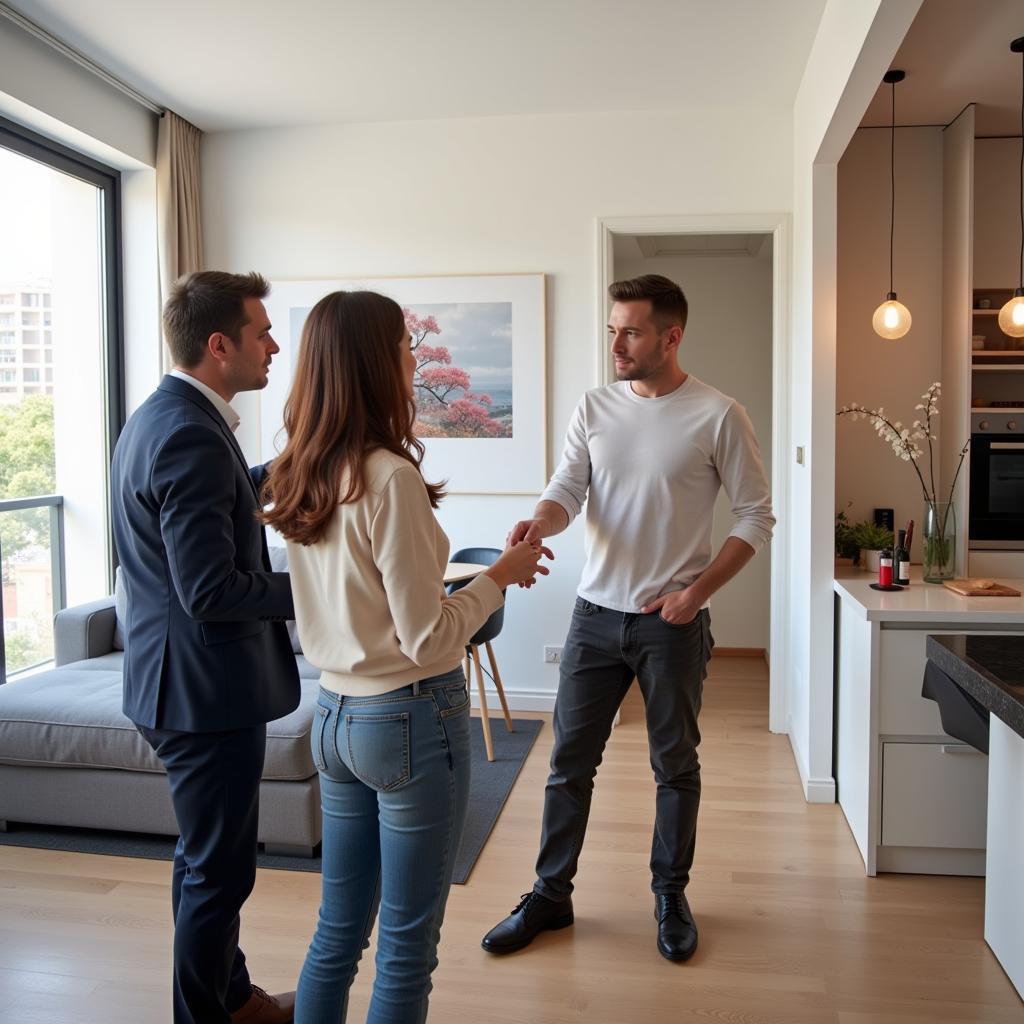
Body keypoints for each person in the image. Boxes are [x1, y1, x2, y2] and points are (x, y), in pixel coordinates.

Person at [261, 289, 551, 1023]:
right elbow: (427, 637)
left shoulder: (298, 471)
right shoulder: (389, 478)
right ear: (375, 362)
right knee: (406, 945)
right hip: (408, 720)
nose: (410, 357)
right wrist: (497, 580)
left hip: (331, 714)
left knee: (337, 929)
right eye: (403, 347)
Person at [481, 273, 775, 962]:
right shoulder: (595, 406)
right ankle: (551, 896)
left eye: (631, 331)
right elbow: (568, 488)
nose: (616, 343)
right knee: (566, 766)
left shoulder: (719, 413)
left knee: (674, 767)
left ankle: (670, 894)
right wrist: (542, 524)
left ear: (671, 337)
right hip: (593, 618)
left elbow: (757, 516)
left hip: (670, 623)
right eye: (613, 328)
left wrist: (696, 593)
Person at [111, 271, 300, 1024]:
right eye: (262, 332)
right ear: (219, 345)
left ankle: (230, 997)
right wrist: (323, 594)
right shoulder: (190, 431)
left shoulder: (168, 416)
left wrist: (291, 462)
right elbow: (212, 592)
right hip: (202, 692)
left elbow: (219, 495)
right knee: (219, 876)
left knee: (204, 865)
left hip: (175, 682)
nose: (274, 346)